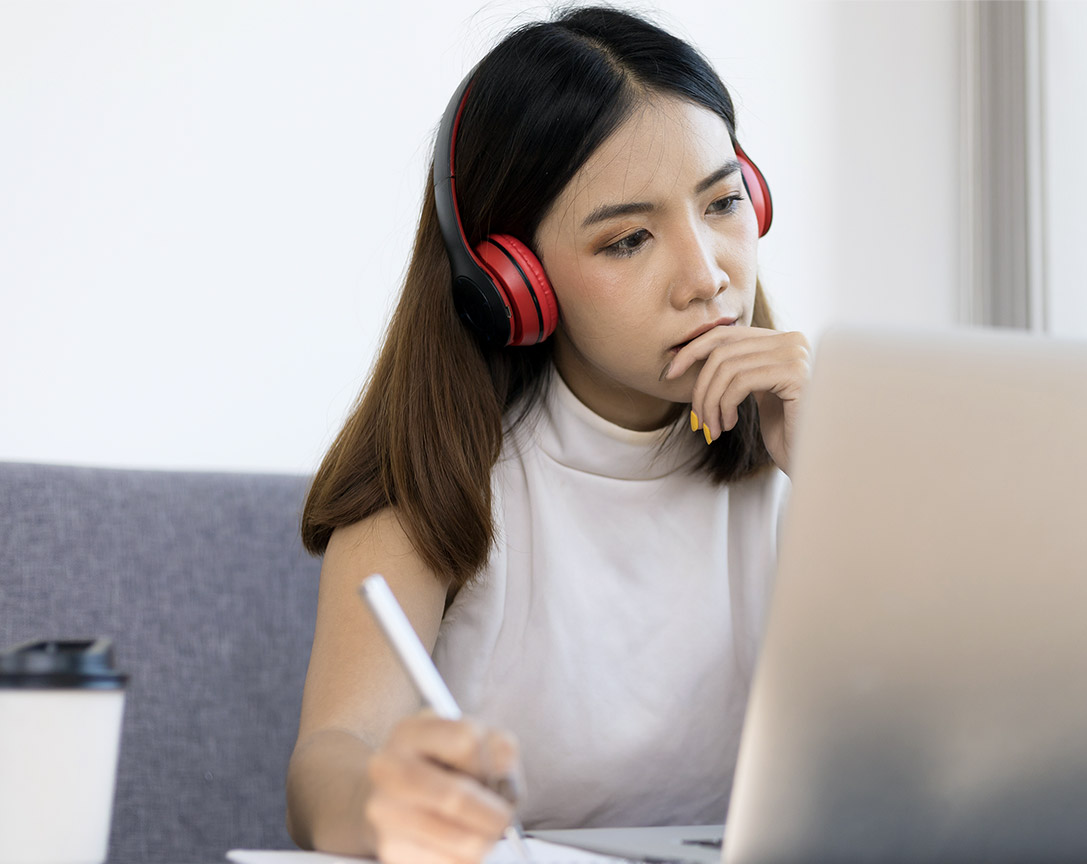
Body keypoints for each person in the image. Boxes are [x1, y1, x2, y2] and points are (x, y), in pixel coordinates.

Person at [282, 6, 809, 864]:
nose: (707, 275)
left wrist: (844, 480)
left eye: (722, 202)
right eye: (629, 238)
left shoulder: (801, 448)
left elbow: (968, 750)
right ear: (512, 282)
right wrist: (381, 805)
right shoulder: (436, 479)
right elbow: (328, 758)